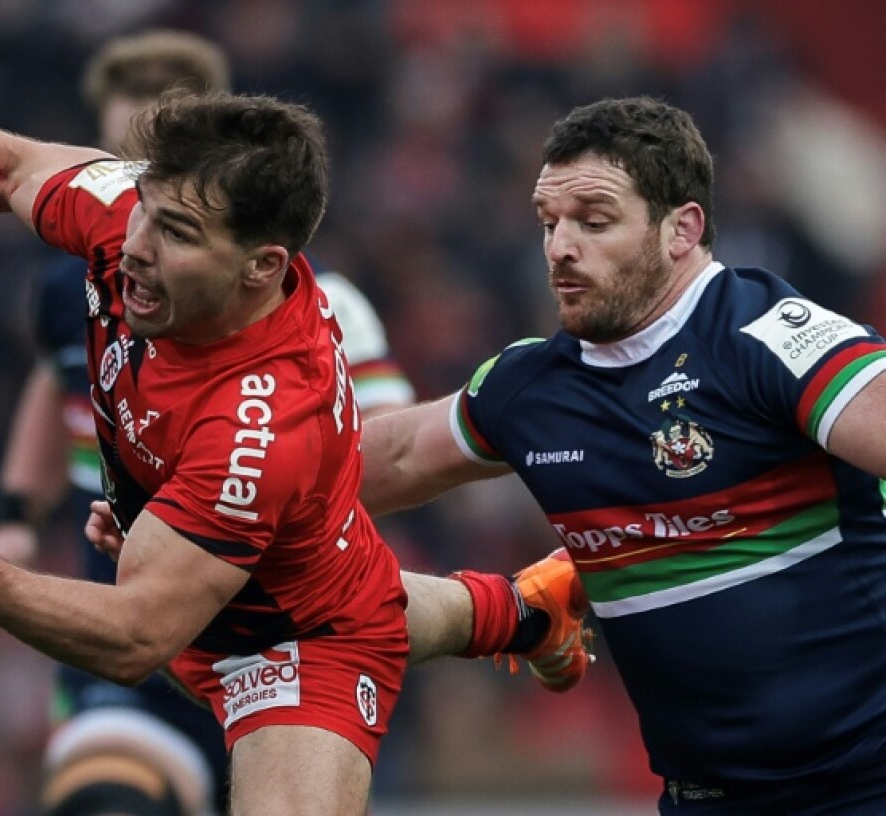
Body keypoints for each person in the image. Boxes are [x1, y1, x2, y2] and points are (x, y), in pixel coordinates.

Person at [0, 92, 591, 815]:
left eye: (175, 233)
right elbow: (1, 166)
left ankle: (512, 610)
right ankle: (522, 610)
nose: (135, 246)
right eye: (145, 206)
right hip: (212, 561)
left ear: (262, 267)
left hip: (292, 650)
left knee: (334, 610)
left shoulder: (262, 421)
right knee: (338, 576)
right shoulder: (130, 219)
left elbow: (134, 637)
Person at [360, 95, 886, 814]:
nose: (559, 248)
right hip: (704, 799)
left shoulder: (768, 335)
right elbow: (378, 464)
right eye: (548, 223)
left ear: (682, 229)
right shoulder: (528, 389)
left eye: (594, 222)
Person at [0, 30, 415, 816]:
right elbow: (55, 390)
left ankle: (516, 612)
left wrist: (232, 517)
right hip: (124, 600)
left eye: (177, 211)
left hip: (274, 626)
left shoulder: (322, 316)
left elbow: (384, 453)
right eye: (123, 163)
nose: (135, 222)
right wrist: (17, 513)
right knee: (106, 801)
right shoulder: (79, 277)